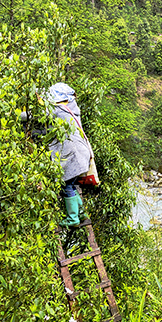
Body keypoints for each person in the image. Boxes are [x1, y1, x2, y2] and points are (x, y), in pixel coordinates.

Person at [45, 83, 94, 227]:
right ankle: (81, 213)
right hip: (81, 152)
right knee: (71, 185)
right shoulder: (72, 108)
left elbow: (38, 115)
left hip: (72, 154)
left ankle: (73, 218)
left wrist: (15, 115)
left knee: (67, 185)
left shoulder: (58, 110)